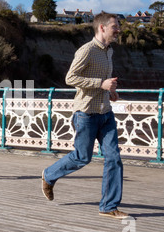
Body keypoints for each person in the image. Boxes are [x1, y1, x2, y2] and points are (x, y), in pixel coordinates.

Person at [41, 12, 129, 219]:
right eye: (115, 26)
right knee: (82, 157)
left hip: (105, 112)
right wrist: (100, 84)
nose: (118, 30)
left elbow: (105, 79)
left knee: (114, 158)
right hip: (86, 113)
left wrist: (111, 91)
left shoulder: (109, 52)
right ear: (102, 28)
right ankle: (49, 175)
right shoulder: (87, 50)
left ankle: (108, 206)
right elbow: (70, 77)